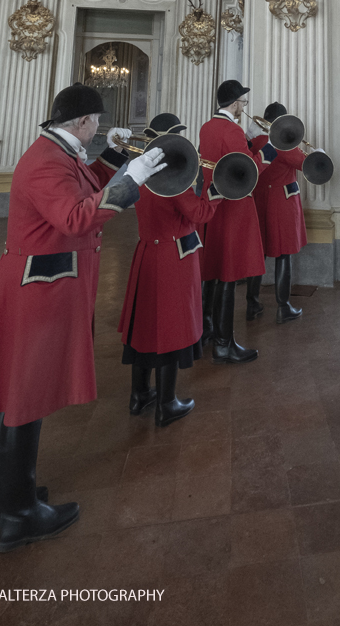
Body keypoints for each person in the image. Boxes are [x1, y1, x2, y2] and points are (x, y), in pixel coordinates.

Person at [0, 83, 166, 552]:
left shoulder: (57, 152)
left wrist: (116, 161)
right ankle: (17, 515)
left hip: (41, 284)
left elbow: (82, 185)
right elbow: (76, 217)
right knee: (25, 401)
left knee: (14, 397)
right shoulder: (47, 161)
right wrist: (132, 179)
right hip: (41, 292)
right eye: (96, 123)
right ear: (83, 122)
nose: (97, 129)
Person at [117, 114, 218, 426]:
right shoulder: (175, 182)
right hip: (174, 257)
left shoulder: (140, 175)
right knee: (171, 329)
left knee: (144, 328)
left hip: (147, 252)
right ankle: (167, 402)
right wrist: (214, 193)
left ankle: (139, 395)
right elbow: (200, 213)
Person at [199, 80, 267, 363]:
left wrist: (248, 143)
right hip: (234, 207)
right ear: (235, 103)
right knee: (229, 275)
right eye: (243, 102)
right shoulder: (232, 129)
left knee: (214, 273)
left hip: (212, 206)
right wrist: (266, 150)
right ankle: (225, 343)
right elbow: (249, 170)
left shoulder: (206, 127)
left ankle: (210, 330)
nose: (244, 107)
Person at [247, 102, 307, 324]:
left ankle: (252, 303)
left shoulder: (255, 141)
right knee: (284, 254)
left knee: (258, 253)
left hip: (259, 203)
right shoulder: (282, 143)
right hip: (282, 204)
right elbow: (303, 163)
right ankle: (283, 306)